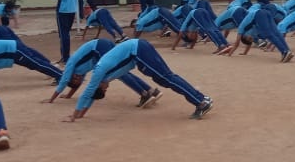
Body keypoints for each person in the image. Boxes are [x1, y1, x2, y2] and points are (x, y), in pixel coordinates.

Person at [61, 39, 213, 122]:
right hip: (139, 52)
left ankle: (200, 102)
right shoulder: (103, 78)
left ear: (98, 85)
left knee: (167, 78)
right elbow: (92, 96)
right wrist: (82, 114)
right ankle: (201, 98)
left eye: (104, 89)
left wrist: (74, 116)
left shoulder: (98, 72)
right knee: (166, 79)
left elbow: (88, 92)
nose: (107, 87)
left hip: (138, 51)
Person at [47, 38, 162, 107]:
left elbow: (64, 81)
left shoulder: (70, 65)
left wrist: (51, 99)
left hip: (99, 47)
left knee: (121, 75)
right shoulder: (79, 73)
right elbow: (75, 83)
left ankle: (143, 93)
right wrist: (68, 95)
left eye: (75, 78)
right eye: (78, 79)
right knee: (122, 71)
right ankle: (151, 91)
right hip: (102, 46)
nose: (77, 77)